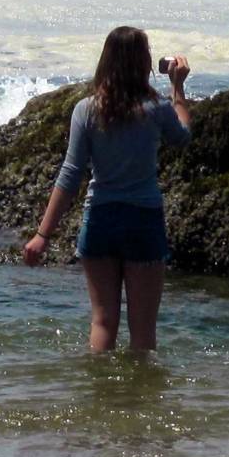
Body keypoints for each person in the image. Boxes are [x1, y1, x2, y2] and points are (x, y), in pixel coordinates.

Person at [23, 26, 194, 353]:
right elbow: (182, 136)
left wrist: (42, 235)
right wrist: (178, 89)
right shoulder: (155, 108)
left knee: (102, 321)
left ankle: (100, 398)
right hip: (142, 221)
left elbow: (71, 174)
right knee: (143, 329)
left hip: (100, 220)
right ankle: (138, 399)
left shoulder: (86, 109)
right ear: (143, 62)